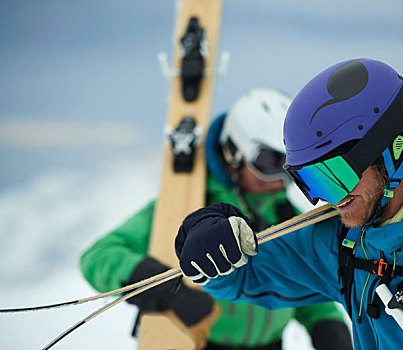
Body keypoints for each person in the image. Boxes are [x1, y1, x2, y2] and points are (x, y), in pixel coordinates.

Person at [174, 60, 403, 349]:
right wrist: (207, 236)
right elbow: (246, 273)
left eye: (335, 174)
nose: (329, 197)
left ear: (395, 152)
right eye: (311, 181)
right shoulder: (348, 242)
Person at [80, 88, 352, 350]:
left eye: (290, 165)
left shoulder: (286, 216)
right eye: (268, 162)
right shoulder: (187, 207)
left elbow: (300, 278)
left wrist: (328, 328)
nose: (281, 179)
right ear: (234, 153)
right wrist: (166, 291)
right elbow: (98, 256)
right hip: (199, 343)